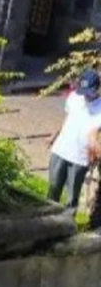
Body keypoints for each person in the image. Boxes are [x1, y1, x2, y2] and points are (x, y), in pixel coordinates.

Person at [46, 69, 101, 210]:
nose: (85, 96)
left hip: (80, 158)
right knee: (53, 190)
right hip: (60, 150)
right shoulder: (74, 98)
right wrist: (55, 134)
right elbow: (67, 119)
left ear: (96, 89)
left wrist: (95, 152)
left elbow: (95, 135)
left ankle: (68, 226)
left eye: (88, 91)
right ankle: (50, 222)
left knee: (71, 198)